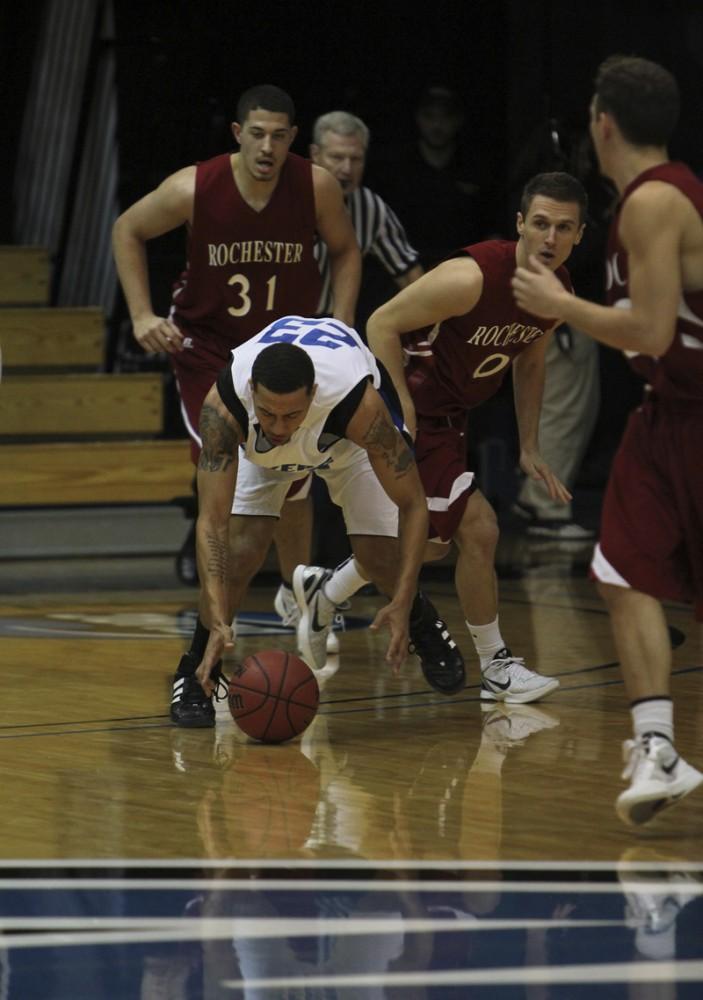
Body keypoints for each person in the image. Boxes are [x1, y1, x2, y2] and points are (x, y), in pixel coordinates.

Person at [512, 56, 703, 825]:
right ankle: (654, 745)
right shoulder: (646, 201)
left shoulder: (655, 201)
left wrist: (561, 304)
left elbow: (651, 329)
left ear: (603, 123)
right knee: (619, 568)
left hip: (696, 415)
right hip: (668, 415)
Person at [111, 84, 361, 617]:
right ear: (237, 135)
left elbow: (345, 251)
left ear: (293, 138)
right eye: (256, 134)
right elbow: (127, 228)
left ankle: (299, 592)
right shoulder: (193, 188)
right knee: (230, 475)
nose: (267, 147)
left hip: (283, 347)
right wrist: (140, 315)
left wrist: (340, 325)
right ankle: (215, 614)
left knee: (296, 473)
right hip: (210, 350)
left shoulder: (315, 187)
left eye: (278, 136)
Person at [171, 314, 465, 727]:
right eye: (268, 412)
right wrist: (218, 615)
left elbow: (413, 504)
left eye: (290, 416)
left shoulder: (359, 406)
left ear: (313, 393)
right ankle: (197, 667)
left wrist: (402, 598)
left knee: (382, 558)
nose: (277, 426)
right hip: (266, 456)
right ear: (251, 390)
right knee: (237, 556)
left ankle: (420, 619)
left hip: (346, 442)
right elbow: (211, 522)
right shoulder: (225, 407)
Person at [367, 171, 587, 704]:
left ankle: (325, 588)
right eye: (540, 224)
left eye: (563, 228)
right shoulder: (471, 277)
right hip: (413, 408)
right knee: (481, 530)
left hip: (451, 417)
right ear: (519, 225)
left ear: (579, 235)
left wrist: (530, 446)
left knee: (437, 545)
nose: (550, 239)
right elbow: (379, 324)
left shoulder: (557, 295)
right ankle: (497, 667)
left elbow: (530, 359)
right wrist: (402, 408)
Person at [309, 110, 423, 315]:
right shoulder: (288, 196)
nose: (346, 169)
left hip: (329, 325)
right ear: (315, 155)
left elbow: (409, 275)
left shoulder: (369, 206)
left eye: (356, 159)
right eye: (337, 157)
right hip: (276, 320)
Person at [369, 85, 485, 269]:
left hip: (463, 267)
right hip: (406, 268)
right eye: (429, 116)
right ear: (418, 118)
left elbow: (492, 228)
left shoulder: (475, 168)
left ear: (458, 120)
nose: (437, 125)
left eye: (445, 116)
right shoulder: (396, 169)